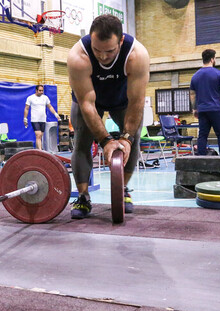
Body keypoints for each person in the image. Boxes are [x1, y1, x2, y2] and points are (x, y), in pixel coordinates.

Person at [67, 14, 150, 219]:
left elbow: (137, 101)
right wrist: (105, 141)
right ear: (91, 40)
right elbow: (87, 103)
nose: (103, 57)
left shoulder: (137, 54)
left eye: (110, 51)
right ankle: (83, 197)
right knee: (81, 142)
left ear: (120, 41)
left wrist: (126, 138)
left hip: (123, 100)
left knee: (133, 139)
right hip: (88, 99)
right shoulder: (78, 56)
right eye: (97, 50)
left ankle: (122, 189)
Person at [189, 49, 220, 156]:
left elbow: (192, 95)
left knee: (202, 135)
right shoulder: (219, 74)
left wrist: (194, 109)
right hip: (217, 109)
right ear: (212, 59)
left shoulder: (195, 76)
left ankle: (201, 159)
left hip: (202, 110)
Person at [23, 85, 59, 150]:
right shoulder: (30, 98)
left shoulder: (45, 98)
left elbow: (50, 107)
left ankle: (38, 150)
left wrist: (55, 114)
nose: (41, 92)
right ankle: (40, 150)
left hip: (43, 119)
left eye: (42, 90)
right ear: (36, 90)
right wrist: (25, 118)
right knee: (38, 135)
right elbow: (26, 108)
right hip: (35, 119)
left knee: (40, 136)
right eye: (40, 90)